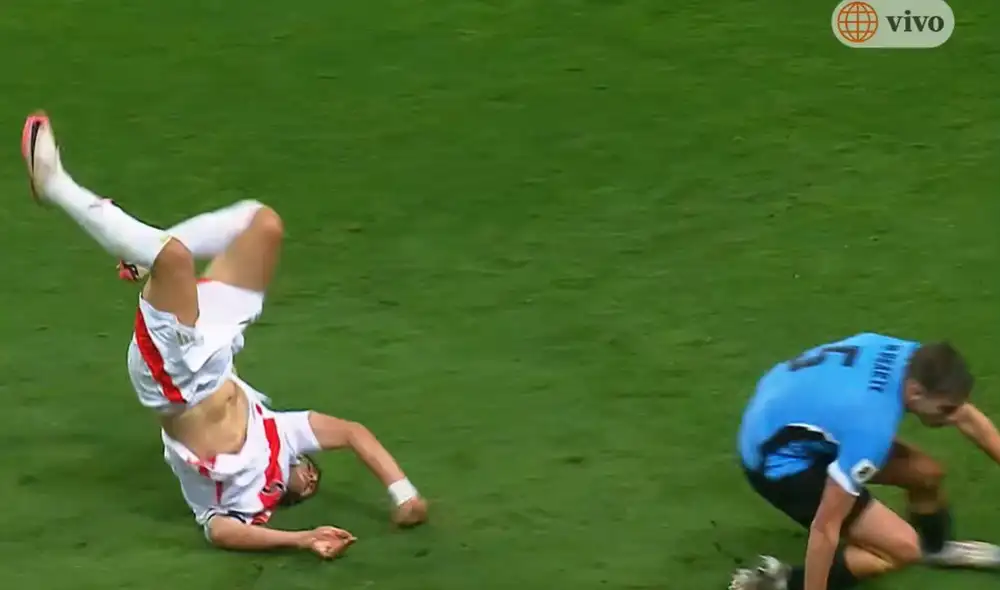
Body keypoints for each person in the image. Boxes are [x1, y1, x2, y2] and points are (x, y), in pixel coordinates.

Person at [21, 112, 428, 559]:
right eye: (313, 473)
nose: (310, 477)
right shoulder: (285, 435)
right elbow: (352, 433)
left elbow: (219, 532)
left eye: (308, 483)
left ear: (292, 493)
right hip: (215, 349)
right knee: (263, 224)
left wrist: (302, 538)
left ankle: (56, 186)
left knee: (173, 260)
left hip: (176, 384)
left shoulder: (247, 504)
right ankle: (143, 252)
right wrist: (403, 493)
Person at [731, 332, 1000, 590]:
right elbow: (825, 528)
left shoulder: (912, 357)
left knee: (925, 473)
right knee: (903, 550)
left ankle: (935, 550)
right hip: (775, 463)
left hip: (786, 411)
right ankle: (778, 582)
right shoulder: (871, 428)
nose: (953, 416)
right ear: (916, 392)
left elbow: (968, 418)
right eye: (946, 410)